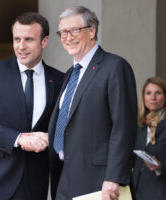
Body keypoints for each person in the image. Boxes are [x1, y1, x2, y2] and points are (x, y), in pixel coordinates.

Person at [0, 12, 64, 200]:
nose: (21, 46)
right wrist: (18, 138)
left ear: (44, 41)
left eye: (28, 39)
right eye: (17, 39)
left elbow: (66, 126)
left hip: (33, 186)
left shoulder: (59, 80)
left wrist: (50, 137)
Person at [48, 6, 138, 200]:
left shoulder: (114, 67)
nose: (68, 37)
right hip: (65, 176)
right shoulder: (70, 74)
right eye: (63, 32)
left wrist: (114, 176)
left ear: (92, 31)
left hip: (99, 180)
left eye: (75, 30)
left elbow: (123, 126)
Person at [130, 77, 166, 200]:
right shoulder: (138, 125)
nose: (152, 97)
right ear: (143, 97)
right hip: (137, 192)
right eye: (148, 93)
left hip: (160, 192)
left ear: (165, 97)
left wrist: (160, 167)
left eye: (157, 93)